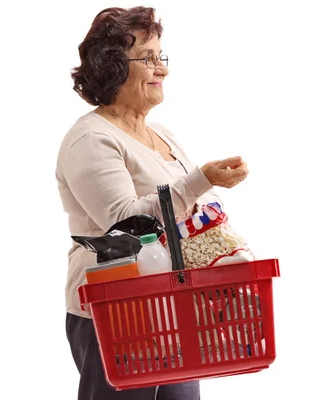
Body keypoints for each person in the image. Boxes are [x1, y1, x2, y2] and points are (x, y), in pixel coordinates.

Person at [55, 6, 248, 400]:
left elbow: (190, 208)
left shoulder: (161, 134)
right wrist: (202, 179)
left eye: (161, 57)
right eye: (148, 58)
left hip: (172, 307)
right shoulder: (91, 139)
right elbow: (126, 224)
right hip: (116, 313)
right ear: (111, 67)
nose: (162, 69)